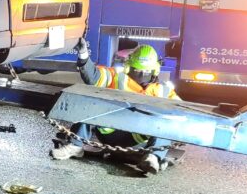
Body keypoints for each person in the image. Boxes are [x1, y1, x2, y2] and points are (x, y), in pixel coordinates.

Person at [55, 39, 182, 175]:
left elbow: (182, 114)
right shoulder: (116, 78)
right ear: (128, 67)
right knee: (91, 103)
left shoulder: (163, 90)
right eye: (137, 70)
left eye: (146, 71)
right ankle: (75, 145)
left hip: (138, 140)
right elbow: (93, 77)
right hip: (111, 133)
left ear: (154, 71)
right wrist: (83, 53)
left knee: (165, 122)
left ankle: (153, 158)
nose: (141, 74)